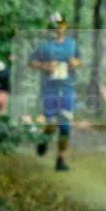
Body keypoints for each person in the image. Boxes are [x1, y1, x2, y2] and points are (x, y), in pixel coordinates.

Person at [28, 13, 81, 171]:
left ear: (65, 25)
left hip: (67, 89)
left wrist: (75, 63)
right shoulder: (44, 45)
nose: (58, 27)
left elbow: (80, 60)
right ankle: (44, 139)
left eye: (60, 24)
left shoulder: (71, 44)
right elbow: (31, 61)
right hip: (49, 89)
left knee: (65, 126)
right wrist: (45, 66)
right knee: (51, 124)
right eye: (55, 24)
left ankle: (60, 159)